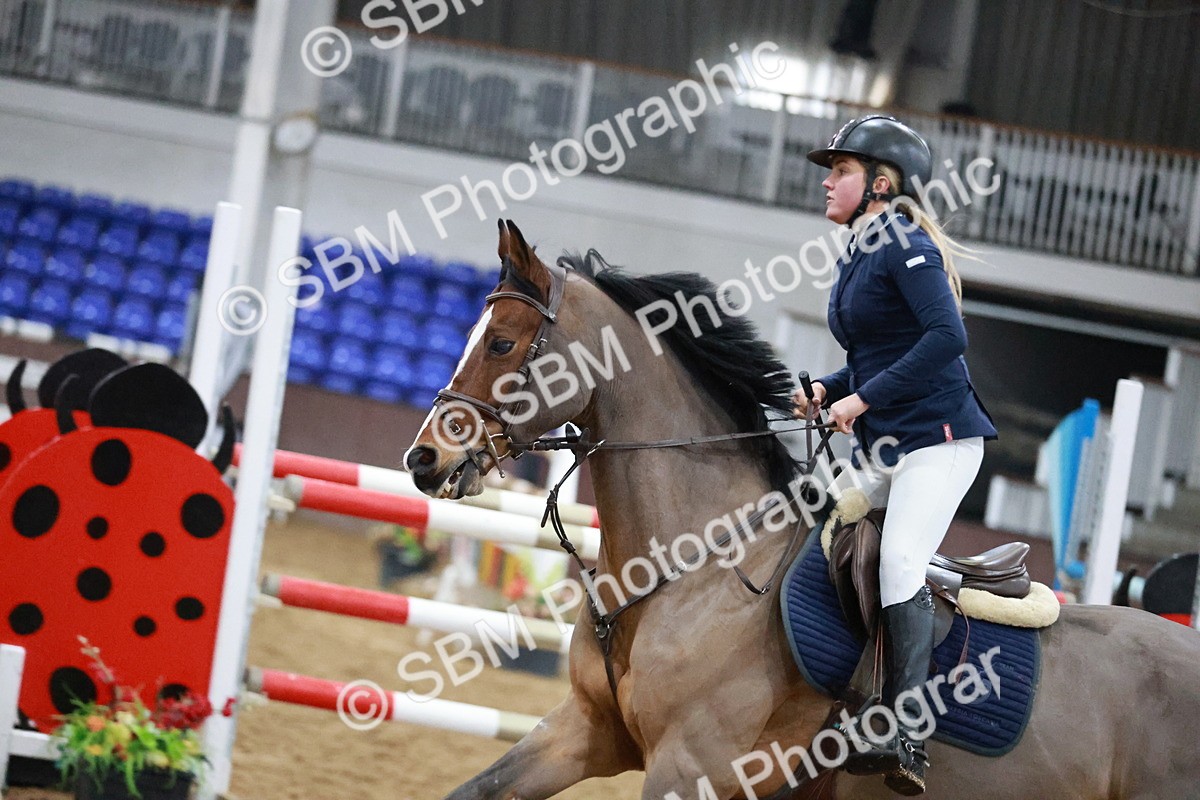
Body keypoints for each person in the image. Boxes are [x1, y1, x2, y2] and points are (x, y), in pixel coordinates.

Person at [794, 115, 998, 795]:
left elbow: (947, 338)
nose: (828, 181)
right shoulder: (860, 251)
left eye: (842, 171)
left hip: (938, 444)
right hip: (891, 445)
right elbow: (876, 356)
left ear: (881, 184)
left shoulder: (904, 243)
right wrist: (831, 387)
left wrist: (862, 400)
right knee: (827, 534)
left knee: (903, 559)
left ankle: (905, 730)